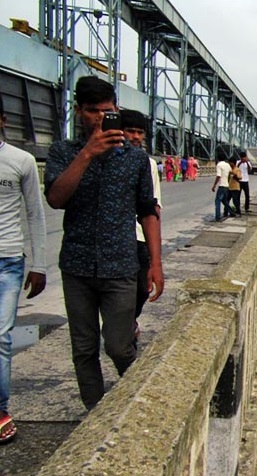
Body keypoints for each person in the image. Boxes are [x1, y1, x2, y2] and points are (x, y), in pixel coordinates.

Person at [44, 76, 163, 411]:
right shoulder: (62, 152)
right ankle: (96, 415)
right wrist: (87, 154)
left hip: (121, 266)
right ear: (79, 110)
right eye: (92, 111)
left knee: (119, 346)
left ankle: (138, 405)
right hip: (77, 266)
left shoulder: (135, 160)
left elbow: (148, 211)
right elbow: (55, 198)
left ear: (116, 110)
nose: (98, 118)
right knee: (83, 348)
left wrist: (156, 264)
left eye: (106, 111)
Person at [0, 94, 47, 444]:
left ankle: (1, 410)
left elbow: (35, 213)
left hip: (8, 260)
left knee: (0, 338)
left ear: (2, 120)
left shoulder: (21, 161)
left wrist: (39, 263)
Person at [120, 109, 162, 348]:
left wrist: (156, 258)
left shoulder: (148, 164)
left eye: (140, 133)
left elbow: (154, 211)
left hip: (140, 238)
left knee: (141, 290)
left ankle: (130, 323)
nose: (136, 137)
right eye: (131, 131)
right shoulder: (104, 157)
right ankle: (124, 336)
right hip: (118, 238)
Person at [211, 155, 233, 221]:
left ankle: (217, 217)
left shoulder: (219, 165)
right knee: (224, 201)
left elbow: (218, 176)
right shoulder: (227, 165)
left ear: (218, 159)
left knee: (217, 201)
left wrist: (214, 185)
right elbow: (231, 173)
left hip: (221, 186)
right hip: (226, 186)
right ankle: (232, 212)